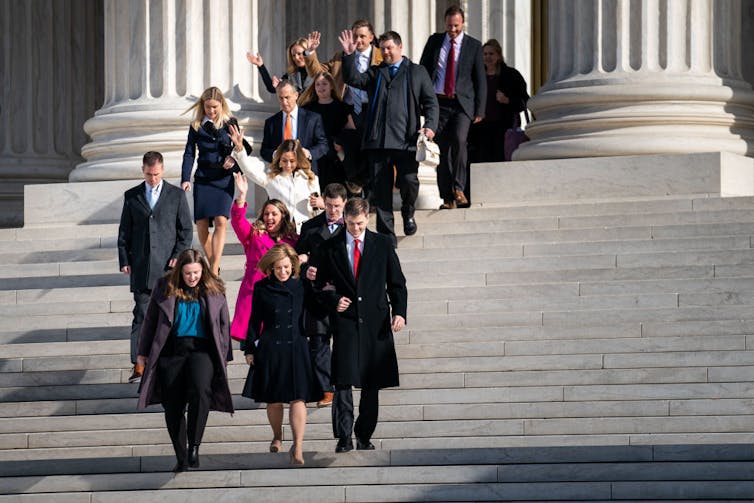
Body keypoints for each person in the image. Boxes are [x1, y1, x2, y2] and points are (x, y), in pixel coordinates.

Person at [311, 197, 407, 453]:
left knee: (371, 382)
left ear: (368, 218)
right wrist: (332, 300)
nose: (356, 229)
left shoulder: (382, 244)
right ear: (344, 219)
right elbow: (316, 284)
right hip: (345, 322)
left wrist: (399, 312)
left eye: (361, 224)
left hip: (376, 323)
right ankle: (343, 437)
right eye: (352, 224)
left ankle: (364, 434)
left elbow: (397, 282)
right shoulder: (330, 246)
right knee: (343, 381)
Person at [135, 249, 233, 472]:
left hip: (202, 350)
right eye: (188, 273)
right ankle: (181, 455)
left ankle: (194, 445)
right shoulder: (164, 286)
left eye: (196, 273)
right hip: (171, 350)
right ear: (180, 271)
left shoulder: (214, 287)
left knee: (201, 391)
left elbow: (224, 323)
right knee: (173, 405)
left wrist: (225, 354)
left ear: (203, 270)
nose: (192, 277)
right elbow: (150, 320)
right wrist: (142, 351)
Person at [341, 30, 438, 246]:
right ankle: (386, 235)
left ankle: (408, 211)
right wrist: (348, 56)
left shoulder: (417, 72)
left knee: (409, 181)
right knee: (381, 191)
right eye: (382, 48)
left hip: (407, 140)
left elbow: (431, 102)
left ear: (400, 47)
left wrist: (430, 127)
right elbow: (353, 78)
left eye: (389, 48)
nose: (385, 52)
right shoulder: (376, 73)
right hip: (378, 142)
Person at [242, 243, 321, 465]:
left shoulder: (302, 285)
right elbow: (254, 321)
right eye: (278, 268)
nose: (283, 271)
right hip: (271, 347)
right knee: (274, 400)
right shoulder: (262, 288)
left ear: (293, 265)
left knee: (299, 398)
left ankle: (298, 446)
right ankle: (277, 435)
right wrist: (249, 348)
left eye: (286, 267)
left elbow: (317, 307)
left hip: (296, 346)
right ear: (271, 267)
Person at [117, 151, 193, 384]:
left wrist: (177, 256)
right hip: (141, 267)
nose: (153, 179)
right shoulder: (132, 196)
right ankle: (139, 365)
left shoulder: (176, 195)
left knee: (170, 316)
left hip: (169, 269)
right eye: (149, 174)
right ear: (143, 170)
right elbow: (124, 233)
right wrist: (124, 260)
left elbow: (186, 231)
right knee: (140, 314)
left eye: (157, 174)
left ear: (163, 170)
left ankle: (169, 362)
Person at [420, 5, 486, 209]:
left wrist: (479, 109)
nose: (453, 30)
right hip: (438, 103)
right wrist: (421, 100)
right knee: (442, 149)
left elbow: (480, 80)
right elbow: (423, 70)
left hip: (462, 104)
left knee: (459, 141)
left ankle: (459, 188)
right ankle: (447, 197)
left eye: (456, 26)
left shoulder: (474, 46)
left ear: (462, 23)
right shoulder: (434, 41)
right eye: (449, 26)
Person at [305, 21, 382, 195]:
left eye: (362, 36)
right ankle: (355, 184)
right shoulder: (340, 57)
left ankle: (368, 195)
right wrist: (311, 52)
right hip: (349, 111)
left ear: (371, 38)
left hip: (373, 110)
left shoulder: (380, 58)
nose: (358, 40)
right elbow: (318, 72)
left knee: (372, 152)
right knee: (345, 147)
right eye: (355, 36)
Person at [181, 86, 251, 275]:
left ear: (222, 105)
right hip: (203, 179)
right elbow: (189, 153)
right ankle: (214, 265)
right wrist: (185, 178)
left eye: (215, 107)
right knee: (202, 224)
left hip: (223, 179)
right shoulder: (196, 125)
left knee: (221, 220)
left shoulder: (230, 123)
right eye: (207, 107)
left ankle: (212, 269)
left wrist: (234, 156)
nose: (211, 111)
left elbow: (245, 149)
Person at [295, 182, 348, 408]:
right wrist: (306, 270)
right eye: (329, 206)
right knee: (318, 342)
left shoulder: (353, 226)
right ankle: (325, 388)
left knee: (344, 341)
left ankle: (343, 382)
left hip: (345, 293)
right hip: (317, 293)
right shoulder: (310, 227)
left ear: (344, 203)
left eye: (337, 206)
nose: (333, 210)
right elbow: (297, 256)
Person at [228, 178, 298, 342]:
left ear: (283, 216)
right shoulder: (254, 235)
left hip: (281, 295)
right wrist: (242, 195)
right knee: (253, 351)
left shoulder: (293, 240)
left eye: (274, 214)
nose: (269, 217)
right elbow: (238, 221)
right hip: (255, 294)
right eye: (266, 214)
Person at [231, 135, 323, 233]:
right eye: (284, 161)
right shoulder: (272, 178)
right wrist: (240, 148)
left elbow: (317, 212)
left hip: (304, 233)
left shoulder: (311, 179)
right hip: (281, 233)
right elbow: (249, 170)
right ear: (279, 161)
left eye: (292, 161)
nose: (288, 165)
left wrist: (321, 206)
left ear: (298, 160)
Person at [469, 39, 528, 163]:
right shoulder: (475, 77)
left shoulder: (511, 75)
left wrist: (507, 100)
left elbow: (524, 101)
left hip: (503, 129)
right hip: (480, 129)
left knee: (500, 160)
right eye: (485, 54)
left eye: (491, 54)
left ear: (499, 55)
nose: (487, 57)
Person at [299, 71, 356, 191]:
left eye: (324, 84)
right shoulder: (307, 109)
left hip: (335, 157)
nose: (321, 87)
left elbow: (352, 131)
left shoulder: (342, 107)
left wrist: (342, 145)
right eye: (317, 84)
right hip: (314, 157)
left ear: (331, 85)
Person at [260, 81, 329, 175]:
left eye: (287, 97)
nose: (284, 102)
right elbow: (264, 150)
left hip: (306, 173)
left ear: (296, 95)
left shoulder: (312, 119)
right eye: (280, 98)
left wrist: (308, 153)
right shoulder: (271, 122)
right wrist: (275, 154)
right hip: (280, 175)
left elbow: (323, 145)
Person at [247, 38, 312, 95]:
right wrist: (261, 66)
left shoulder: (318, 71)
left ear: (307, 52)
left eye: (299, 54)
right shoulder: (291, 74)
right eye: (293, 55)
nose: (296, 58)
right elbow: (272, 88)